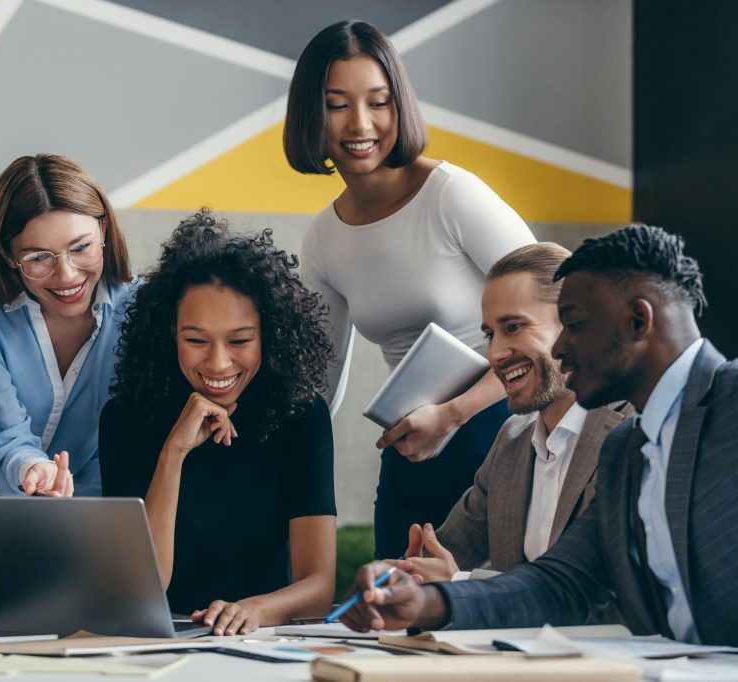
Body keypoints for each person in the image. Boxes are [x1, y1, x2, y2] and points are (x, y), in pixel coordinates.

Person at [340, 225, 738, 646]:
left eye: (575, 324)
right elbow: (564, 583)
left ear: (638, 319)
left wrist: (454, 581)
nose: (561, 347)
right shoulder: (629, 449)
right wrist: (427, 602)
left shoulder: (727, 403)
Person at [285, 20, 535, 557]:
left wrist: (452, 414)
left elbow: (553, 314)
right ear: (311, 113)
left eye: (378, 102)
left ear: (400, 105)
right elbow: (317, 382)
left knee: (487, 614)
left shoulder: (452, 195)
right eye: (336, 104)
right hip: (410, 439)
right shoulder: (323, 238)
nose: (360, 124)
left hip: (501, 427)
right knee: (393, 613)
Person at [100, 211, 336, 636]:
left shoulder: (302, 415)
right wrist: (174, 452)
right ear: (170, 333)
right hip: (160, 638)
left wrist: (254, 610)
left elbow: (318, 587)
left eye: (240, 340)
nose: (218, 363)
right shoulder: (124, 419)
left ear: (270, 334)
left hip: (262, 635)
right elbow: (143, 590)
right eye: (196, 340)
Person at [396, 243, 630, 584]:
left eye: (514, 327)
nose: (496, 354)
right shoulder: (512, 439)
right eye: (490, 334)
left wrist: (459, 584)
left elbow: (598, 593)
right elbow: (443, 558)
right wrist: (404, 576)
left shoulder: (632, 432)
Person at [0, 154, 134, 497]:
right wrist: (34, 469)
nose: (67, 276)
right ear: (7, 256)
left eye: (81, 248)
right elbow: (5, 435)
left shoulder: (142, 311)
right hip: (3, 507)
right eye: (37, 257)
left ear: (104, 231)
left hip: (111, 509)